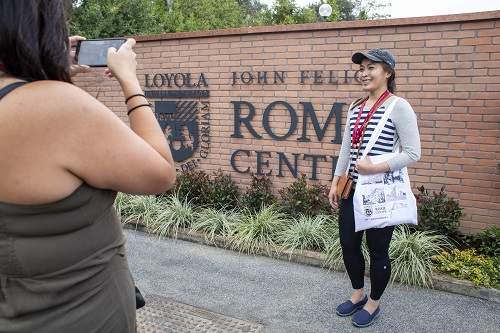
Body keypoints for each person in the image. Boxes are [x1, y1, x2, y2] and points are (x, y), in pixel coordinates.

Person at [0, 1, 175, 332]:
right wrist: (129, 80)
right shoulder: (56, 106)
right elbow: (161, 172)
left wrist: (49, 73)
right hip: (82, 314)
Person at [328, 49, 421, 328]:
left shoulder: (399, 106)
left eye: (371, 68)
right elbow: (347, 148)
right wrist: (335, 181)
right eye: (361, 69)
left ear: (388, 73)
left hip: (379, 192)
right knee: (348, 244)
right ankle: (357, 293)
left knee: (378, 250)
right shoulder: (356, 107)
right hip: (352, 189)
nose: (364, 74)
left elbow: (413, 153)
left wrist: (374, 168)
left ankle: (373, 302)